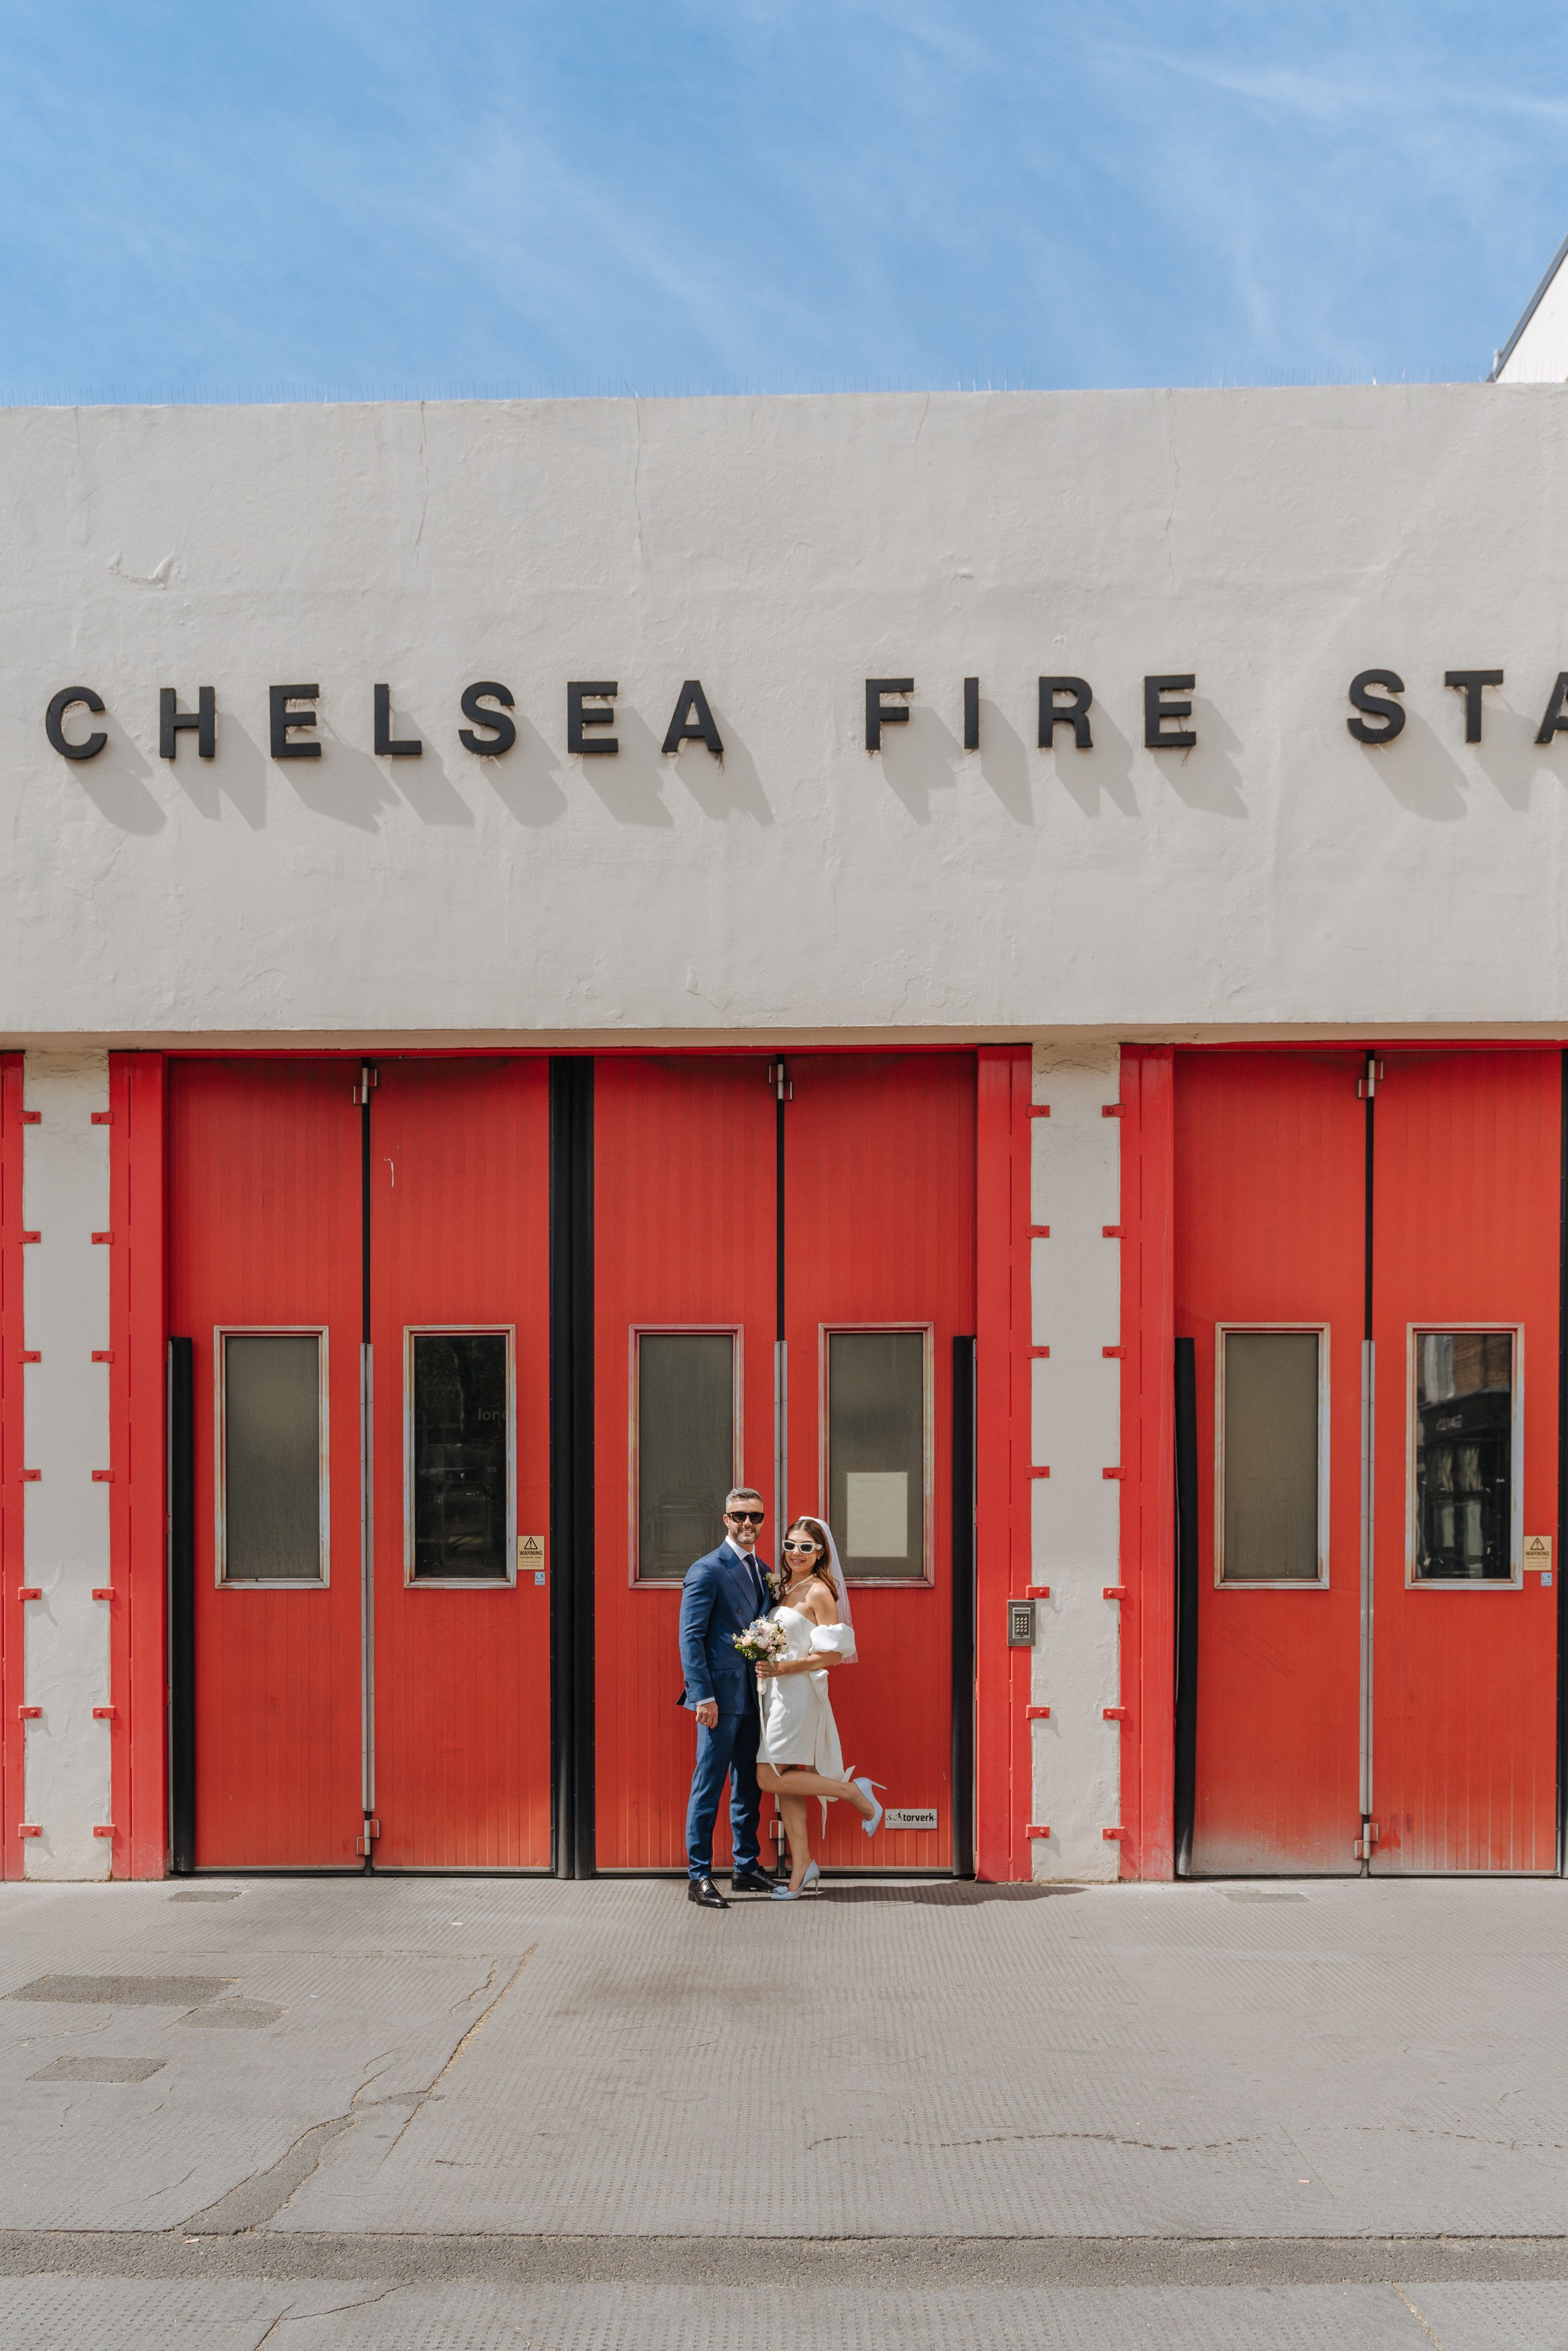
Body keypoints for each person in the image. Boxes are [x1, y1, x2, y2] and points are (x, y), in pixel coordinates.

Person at [755, 1515, 884, 1900]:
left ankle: (853, 1792)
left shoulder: (819, 1592)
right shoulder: (784, 1586)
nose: (796, 1553)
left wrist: (787, 1667)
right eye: (790, 1545)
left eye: (806, 1547)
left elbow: (832, 1655)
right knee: (788, 1781)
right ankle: (802, 1868)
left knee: (769, 1776)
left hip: (798, 1694)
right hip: (775, 1692)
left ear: (821, 1552)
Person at [678, 1488, 780, 1909]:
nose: (747, 1525)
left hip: (754, 1698)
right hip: (718, 1700)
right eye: (739, 1516)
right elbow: (691, 1636)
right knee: (709, 1785)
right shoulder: (707, 1569)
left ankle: (746, 1866)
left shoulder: (763, 1569)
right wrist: (702, 1696)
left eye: (755, 1518)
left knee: (748, 1786)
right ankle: (699, 1876)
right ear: (725, 1519)